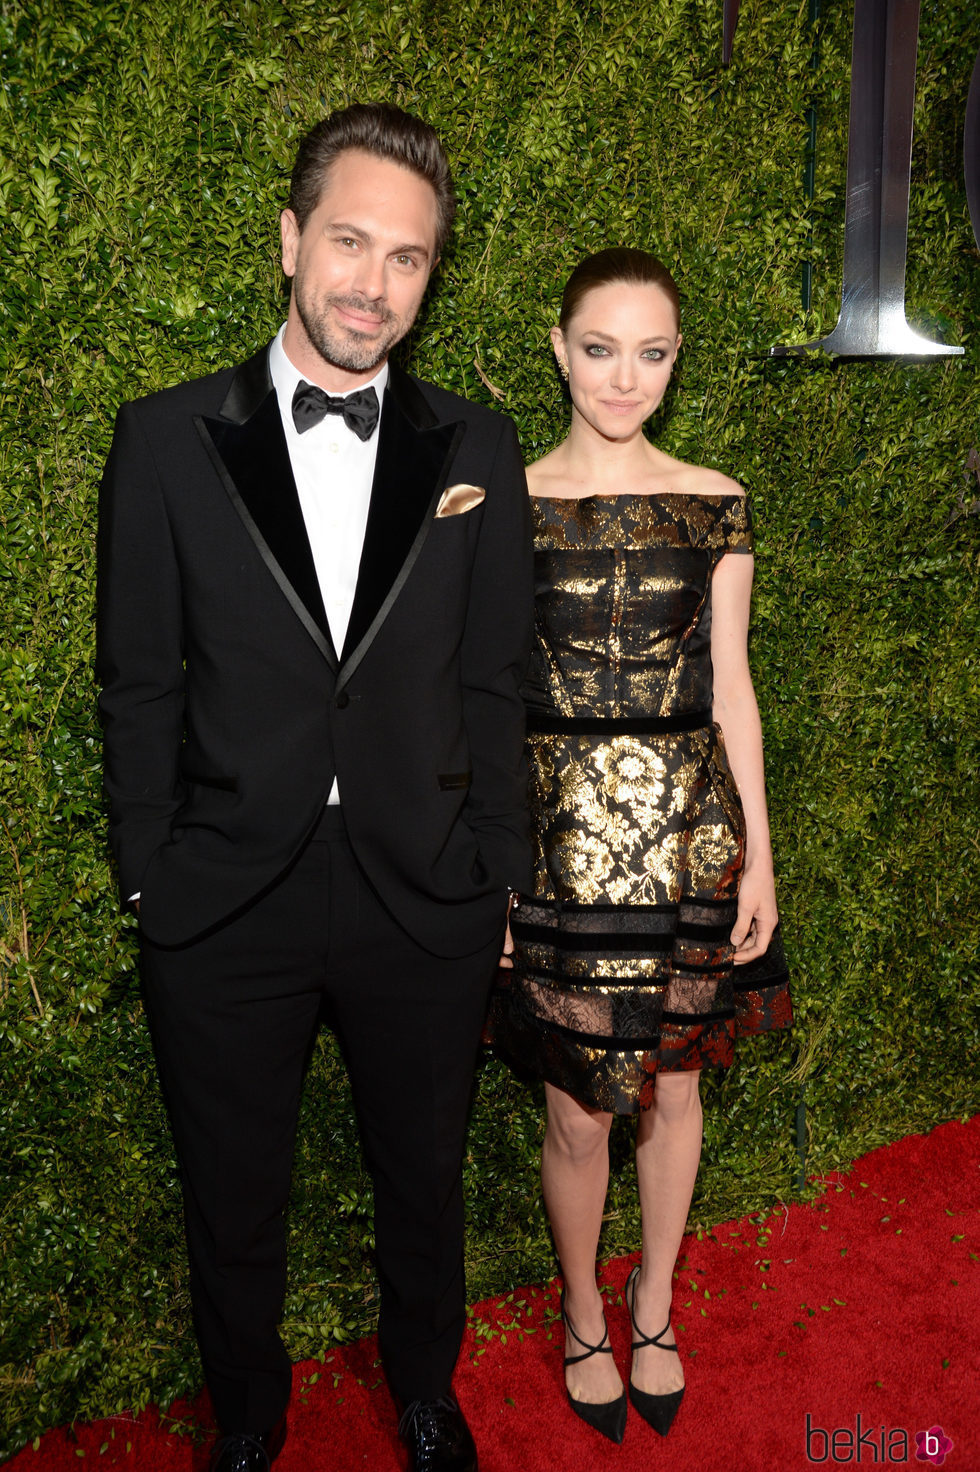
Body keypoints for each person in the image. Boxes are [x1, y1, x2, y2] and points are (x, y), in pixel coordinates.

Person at [97, 102, 532, 1472]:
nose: (373, 283)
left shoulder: (476, 448)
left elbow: (495, 681)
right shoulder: (167, 441)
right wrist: (147, 872)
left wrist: (499, 879)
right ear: (290, 240)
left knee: (423, 1177)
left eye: (407, 258)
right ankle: (245, 1418)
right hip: (226, 892)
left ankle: (423, 1390)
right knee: (230, 1195)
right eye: (349, 241)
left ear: (431, 276)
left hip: (425, 893)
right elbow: (137, 681)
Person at [492, 247, 792, 1444]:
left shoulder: (712, 497)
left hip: (688, 834)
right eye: (601, 347)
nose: (625, 376)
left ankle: (652, 1302)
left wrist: (759, 853)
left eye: (651, 351)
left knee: (669, 1090)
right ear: (559, 348)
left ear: (674, 359)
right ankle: (579, 1310)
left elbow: (732, 685)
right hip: (554, 839)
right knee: (576, 1110)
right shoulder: (498, 502)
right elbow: (475, 697)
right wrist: (492, 863)